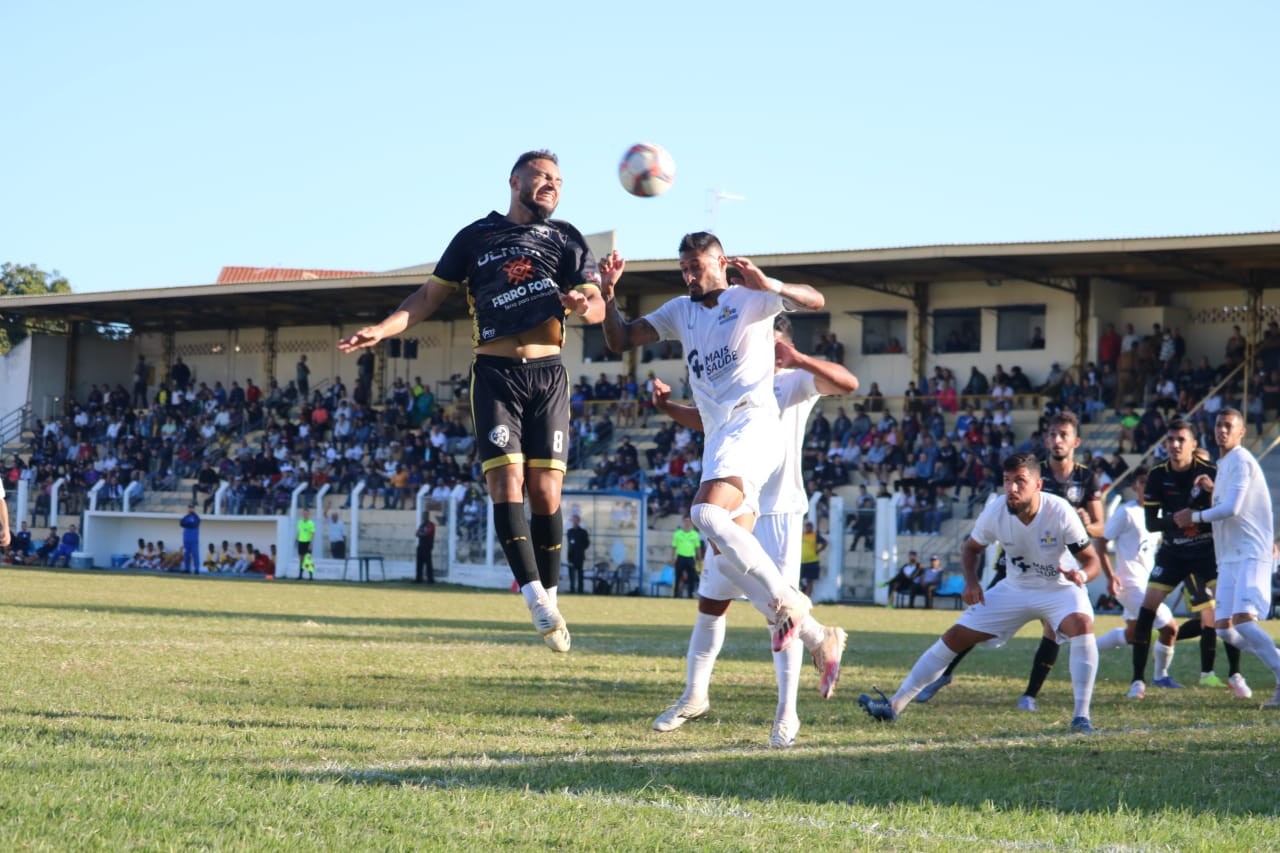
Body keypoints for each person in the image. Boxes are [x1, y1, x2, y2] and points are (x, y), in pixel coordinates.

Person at [338, 150, 609, 652]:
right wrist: (381, 328)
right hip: (495, 373)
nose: (551, 183)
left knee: (546, 493)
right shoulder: (474, 237)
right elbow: (425, 298)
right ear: (515, 180)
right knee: (506, 482)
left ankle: (550, 596)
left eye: (558, 179)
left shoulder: (568, 238)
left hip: (549, 374)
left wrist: (583, 302)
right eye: (541, 176)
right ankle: (533, 597)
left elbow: (594, 309)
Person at [601, 231, 824, 659]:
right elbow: (620, 340)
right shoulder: (679, 311)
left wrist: (769, 283)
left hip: (752, 422)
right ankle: (812, 635)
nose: (688, 276)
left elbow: (815, 300)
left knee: (703, 512)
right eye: (683, 269)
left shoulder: (749, 299)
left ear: (721, 262)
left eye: (696, 267)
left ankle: (791, 602)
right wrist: (609, 296)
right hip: (719, 434)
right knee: (722, 563)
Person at [646, 312, 857, 748]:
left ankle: (786, 715)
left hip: (778, 508)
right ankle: (694, 695)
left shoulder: (793, 380)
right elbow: (708, 423)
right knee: (712, 600)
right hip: (739, 499)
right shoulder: (739, 378)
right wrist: (669, 408)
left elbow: (846, 382)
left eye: (770, 341)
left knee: (781, 617)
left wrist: (797, 357)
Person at [859, 453, 1103, 734]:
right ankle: (893, 706)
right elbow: (971, 548)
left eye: (1020, 481)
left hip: (1058, 588)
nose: (1011, 488)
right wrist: (972, 582)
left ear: (1038, 484)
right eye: (1006, 481)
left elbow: (1091, 560)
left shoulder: (1059, 511)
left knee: (1082, 625)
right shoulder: (996, 510)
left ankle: (1081, 717)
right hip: (1015, 588)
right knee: (955, 637)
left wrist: (1081, 576)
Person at [916, 412, 1118, 708]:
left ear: (1076, 441)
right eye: (1052, 434)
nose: (1057, 440)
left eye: (1063, 435)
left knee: (1054, 628)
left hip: (1057, 564)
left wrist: (1084, 524)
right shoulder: (1031, 471)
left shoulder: (1086, 477)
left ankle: (1030, 695)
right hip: (1015, 560)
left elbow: (1102, 527)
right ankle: (942, 674)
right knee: (977, 617)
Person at [1174, 408, 1280, 708]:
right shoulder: (1224, 466)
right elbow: (1225, 501)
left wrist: (1193, 516)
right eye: (1219, 425)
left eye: (1229, 426)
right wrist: (1212, 487)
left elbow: (1231, 509)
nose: (1222, 430)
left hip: (1250, 553)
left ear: (1241, 432)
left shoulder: (1243, 461)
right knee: (1224, 629)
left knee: (1245, 623)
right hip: (1230, 557)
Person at [1134, 418, 1246, 696]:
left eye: (1180, 440)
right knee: (1147, 609)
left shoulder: (1211, 472)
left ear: (1193, 445)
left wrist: (1200, 514)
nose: (1174, 445)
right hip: (1173, 552)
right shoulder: (1158, 475)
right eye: (1170, 440)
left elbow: (1229, 512)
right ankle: (1138, 680)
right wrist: (1177, 521)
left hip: (1207, 550)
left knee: (1225, 610)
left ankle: (1234, 674)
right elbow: (1151, 523)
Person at [1094, 468, 1179, 692]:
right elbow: (1102, 541)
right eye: (1142, 482)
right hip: (1129, 583)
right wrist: (1109, 575)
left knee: (1132, 634)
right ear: (1135, 486)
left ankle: (1087, 648)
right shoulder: (1126, 512)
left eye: (1150, 483)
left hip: (1148, 583)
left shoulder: (1157, 514)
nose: (1147, 487)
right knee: (1170, 628)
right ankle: (1159, 677)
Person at [670, 515, 702, 599]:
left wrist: (699, 559)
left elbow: (697, 548)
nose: (687, 523)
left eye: (689, 521)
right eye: (685, 521)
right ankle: (676, 595)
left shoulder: (695, 535)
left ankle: (690, 595)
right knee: (678, 577)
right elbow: (674, 547)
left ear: (691, 522)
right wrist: (673, 558)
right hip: (680, 557)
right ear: (683, 522)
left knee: (691, 578)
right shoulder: (677, 534)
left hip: (690, 558)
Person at [798, 520, 827, 597]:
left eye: (809, 526)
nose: (808, 528)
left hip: (812, 561)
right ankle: (803, 590)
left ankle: (807, 597)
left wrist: (819, 550)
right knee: (798, 579)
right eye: (807, 526)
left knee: (810, 581)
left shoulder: (815, 535)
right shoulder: (802, 535)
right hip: (802, 561)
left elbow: (825, 542)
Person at [565, 513, 590, 594]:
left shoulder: (583, 532)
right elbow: (569, 543)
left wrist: (580, 548)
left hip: (579, 556)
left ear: (579, 521)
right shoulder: (570, 532)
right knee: (571, 574)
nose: (574, 522)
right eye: (573, 520)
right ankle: (572, 589)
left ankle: (580, 590)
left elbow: (586, 543)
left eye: (576, 520)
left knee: (580, 574)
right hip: (571, 556)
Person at [415, 513, 436, 584]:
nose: (424, 517)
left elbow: (427, 533)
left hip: (427, 546)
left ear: (428, 516)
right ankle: (418, 579)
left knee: (428, 563)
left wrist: (421, 534)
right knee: (419, 563)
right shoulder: (422, 525)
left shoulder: (431, 524)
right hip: (421, 546)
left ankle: (430, 579)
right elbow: (417, 533)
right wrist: (422, 533)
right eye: (423, 516)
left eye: (425, 516)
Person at [179, 505, 200, 574]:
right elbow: (181, 523)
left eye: (192, 508)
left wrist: (187, 524)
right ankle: (186, 569)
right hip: (186, 539)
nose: (190, 509)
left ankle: (196, 569)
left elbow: (194, 524)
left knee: (195, 555)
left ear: (194, 509)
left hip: (193, 540)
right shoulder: (186, 517)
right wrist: (188, 523)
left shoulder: (196, 517)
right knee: (186, 555)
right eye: (189, 508)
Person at [296, 509, 315, 580]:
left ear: (308, 514)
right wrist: (297, 541)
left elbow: (312, 533)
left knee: (308, 559)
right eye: (304, 514)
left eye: (306, 514)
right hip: (301, 542)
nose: (305, 515)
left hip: (307, 542)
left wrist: (310, 543)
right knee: (301, 560)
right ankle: (300, 575)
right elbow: (299, 532)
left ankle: (311, 576)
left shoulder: (311, 523)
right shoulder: (300, 522)